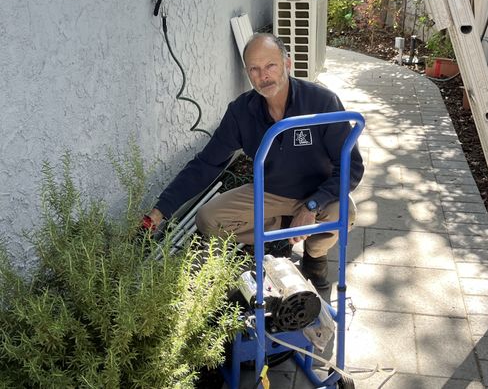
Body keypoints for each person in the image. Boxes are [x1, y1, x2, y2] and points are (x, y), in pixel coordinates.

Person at [143, 33, 364, 289]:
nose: (264, 76)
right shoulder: (241, 111)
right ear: (248, 73)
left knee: (344, 212)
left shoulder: (322, 102)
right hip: (270, 192)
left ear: (287, 64)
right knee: (208, 217)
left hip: (318, 193)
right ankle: (275, 231)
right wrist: (160, 211)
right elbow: (206, 164)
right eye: (254, 69)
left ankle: (315, 255)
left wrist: (312, 206)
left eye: (271, 65)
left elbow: (352, 167)